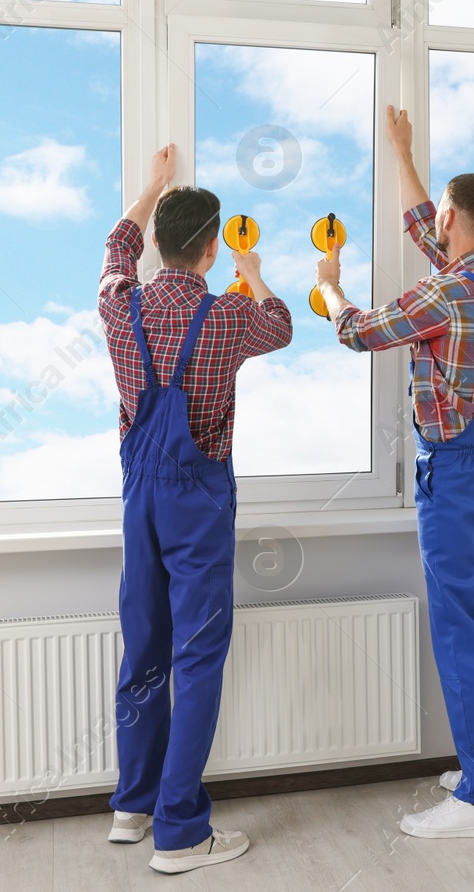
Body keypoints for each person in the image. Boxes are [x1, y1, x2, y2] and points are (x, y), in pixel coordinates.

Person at [314, 106, 474, 839]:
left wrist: (331, 288)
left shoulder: (445, 294)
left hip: (457, 477)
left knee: (458, 627)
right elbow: (424, 228)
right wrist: (401, 152)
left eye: (436, 214)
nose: (429, 225)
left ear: (452, 214)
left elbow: (363, 331)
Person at [97, 144, 292, 873]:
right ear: (211, 251)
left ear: (157, 246)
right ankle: (180, 831)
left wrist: (150, 184)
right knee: (198, 655)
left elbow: (117, 244)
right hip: (198, 500)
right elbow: (281, 321)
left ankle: (133, 804)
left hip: (140, 498)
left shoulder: (119, 305)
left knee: (144, 645)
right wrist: (251, 270)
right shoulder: (230, 319)